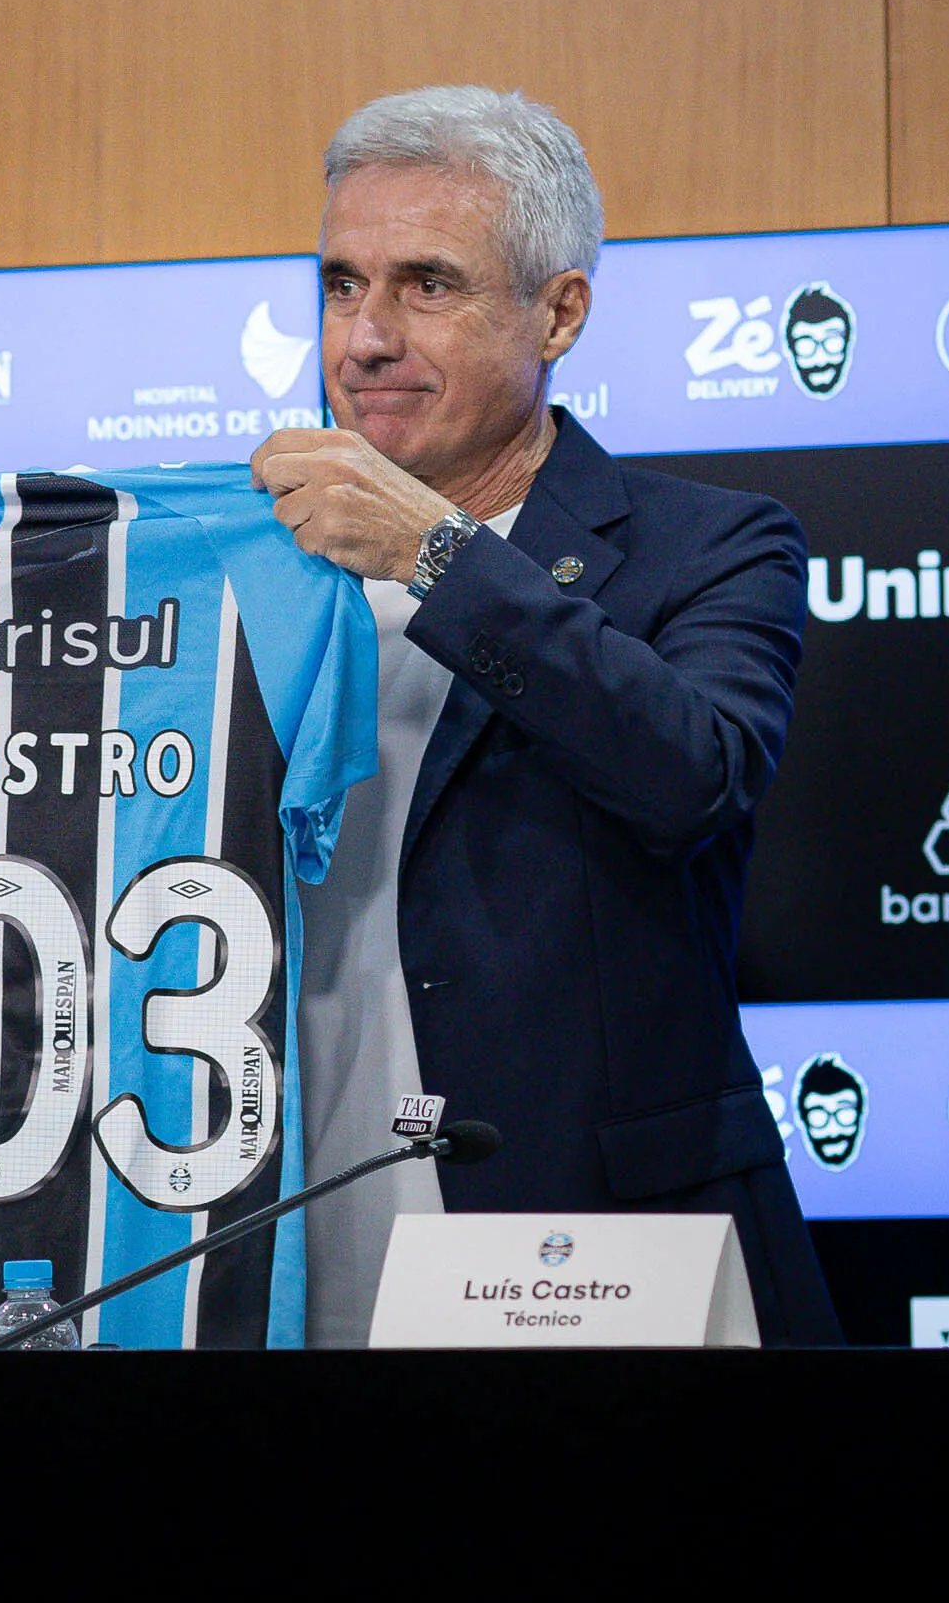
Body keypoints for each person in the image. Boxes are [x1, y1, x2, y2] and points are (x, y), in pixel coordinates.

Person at [252, 86, 838, 1344]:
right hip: (291, 1236)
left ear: (559, 310)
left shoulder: (710, 545)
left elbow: (694, 771)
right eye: (343, 284)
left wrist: (440, 555)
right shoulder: (246, 567)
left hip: (590, 1247)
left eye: (427, 284)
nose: (365, 336)